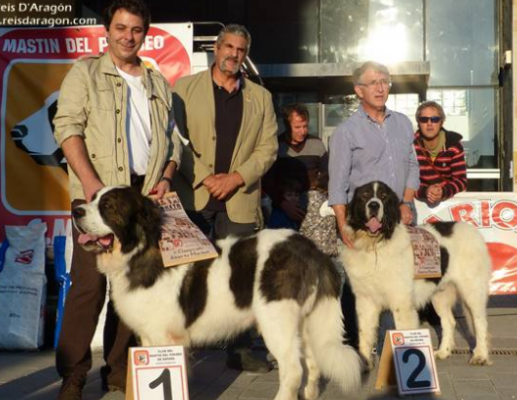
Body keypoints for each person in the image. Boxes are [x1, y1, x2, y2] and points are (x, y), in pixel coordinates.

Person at [52, 0, 181, 400]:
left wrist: (164, 177)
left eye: (137, 29)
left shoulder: (157, 81)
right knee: (89, 287)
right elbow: (67, 127)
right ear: (107, 30)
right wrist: (91, 185)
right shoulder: (84, 73)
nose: (129, 36)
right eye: (121, 28)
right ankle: (72, 380)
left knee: (134, 287)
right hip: (99, 198)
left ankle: (118, 372)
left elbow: (175, 142)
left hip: (142, 203)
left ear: (146, 33)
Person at [172, 24, 278, 372]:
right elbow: (176, 142)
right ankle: (182, 347)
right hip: (195, 197)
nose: (234, 54)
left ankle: (241, 349)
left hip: (239, 200)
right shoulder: (184, 89)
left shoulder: (260, 97)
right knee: (188, 276)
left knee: (240, 277)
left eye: (241, 50)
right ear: (216, 50)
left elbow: (268, 149)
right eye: (228, 47)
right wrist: (205, 177)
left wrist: (236, 177)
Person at [328, 61, 420, 248]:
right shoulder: (346, 132)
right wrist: (342, 223)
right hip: (365, 225)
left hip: (401, 218)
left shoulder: (403, 123)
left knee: (404, 276)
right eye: (373, 83)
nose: (380, 88)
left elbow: (412, 166)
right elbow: (337, 184)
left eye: (384, 82)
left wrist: (407, 203)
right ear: (359, 91)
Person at [263, 103, 337, 256]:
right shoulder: (276, 146)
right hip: (283, 208)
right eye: (297, 127)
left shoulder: (316, 144)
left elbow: (327, 175)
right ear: (287, 125)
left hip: (312, 208)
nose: (303, 131)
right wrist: (284, 204)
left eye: (305, 126)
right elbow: (268, 181)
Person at [414, 101, 468, 205]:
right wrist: (426, 191)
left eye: (434, 119)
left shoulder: (454, 146)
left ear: (441, 122)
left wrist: (443, 191)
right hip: (417, 206)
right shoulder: (409, 146)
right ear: (418, 123)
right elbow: (405, 183)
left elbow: (461, 181)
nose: (429, 123)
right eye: (424, 119)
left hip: (449, 205)